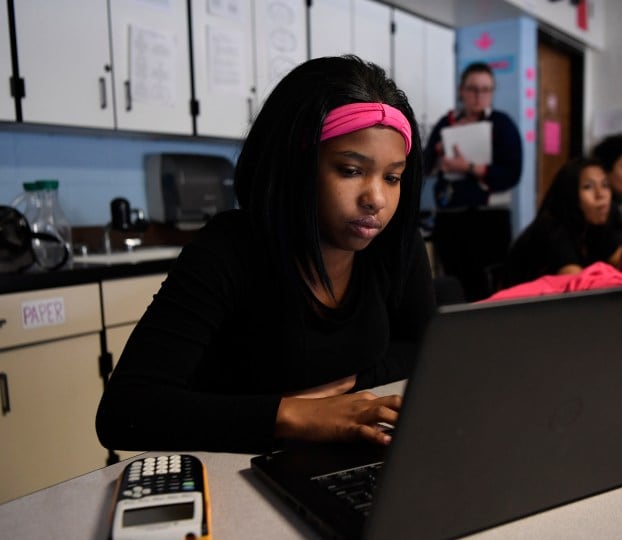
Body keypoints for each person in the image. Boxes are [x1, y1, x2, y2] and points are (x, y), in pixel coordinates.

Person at [95, 55, 437, 454]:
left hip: (347, 455)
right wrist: (296, 414)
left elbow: (426, 349)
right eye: (349, 170)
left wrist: (348, 388)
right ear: (295, 164)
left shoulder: (395, 243)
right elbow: (125, 412)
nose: (376, 199)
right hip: (236, 469)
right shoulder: (231, 247)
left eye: (392, 177)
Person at [501, 157, 622, 288]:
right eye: (588, 187)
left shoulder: (594, 225)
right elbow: (577, 288)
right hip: (523, 306)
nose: (601, 194)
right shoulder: (553, 229)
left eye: (605, 185)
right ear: (570, 194)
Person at [423, 61, 523, 208]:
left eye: (485, 90)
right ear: (461, 90)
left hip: (490, 211)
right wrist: (438, 155)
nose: (479, 95)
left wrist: (468, 167)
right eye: (473, 89)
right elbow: (425, 165)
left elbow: (512, 173)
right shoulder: (446, 122)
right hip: (449, 207)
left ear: (492, 92)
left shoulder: (503, 124)